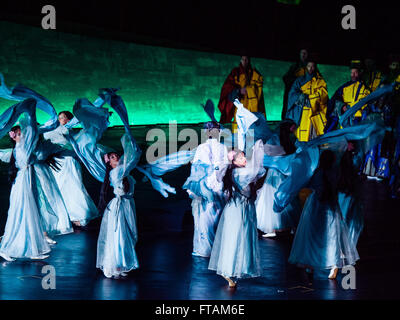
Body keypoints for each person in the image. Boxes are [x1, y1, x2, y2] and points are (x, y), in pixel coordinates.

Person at [288, 149, 359, 279]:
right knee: (331, 235)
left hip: (316, 205)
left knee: (313, 235)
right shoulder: (335, 173)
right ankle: (333, 263)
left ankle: (311, 263)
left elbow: (310, 185)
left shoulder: (317, 173)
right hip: (330, 204)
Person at [208, 140, 266, 287]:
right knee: (234, 239)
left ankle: (234, 269)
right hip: (237, 210)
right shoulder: (240, 172)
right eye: (240, 158)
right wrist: (258, 147)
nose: (244, 159)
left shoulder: (239, 171)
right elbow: (256, 169)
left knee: (241, 238)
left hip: (242, 208)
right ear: (233, 161)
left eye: (244, 156)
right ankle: (227, 269)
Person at [0, 99, 51, 261]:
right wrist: (30, 112)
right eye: (20, 133)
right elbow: (32, 132)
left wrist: (31, 112)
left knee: (30, 212)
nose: (24, 135)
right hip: (22, 183)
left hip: (27, 181)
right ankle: (7, 247)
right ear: (14, 136)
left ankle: (33, 248)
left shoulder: (23, 148)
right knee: (19, 212)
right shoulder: (19, 149)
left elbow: (33, 134)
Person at [44, 110, 99, 227]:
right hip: (57, 163)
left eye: (63, 117)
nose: (61, 120)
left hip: (69, 162)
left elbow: (78, 119)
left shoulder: (69, 131)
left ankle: (80, 215)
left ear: (68, 120)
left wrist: (95, 112)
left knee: (74, 186)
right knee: (60, 188)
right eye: (59, 118)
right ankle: (66, 216)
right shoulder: (54, 130)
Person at [182, 121, 228, 257]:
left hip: (207, 184)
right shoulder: (222, 147)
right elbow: (224, 166)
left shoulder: (203, 147)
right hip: (219, 184)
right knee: (216, 216)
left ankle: (206, 249)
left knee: (205, 218)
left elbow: (197, 169)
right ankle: (217, 247)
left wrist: (194, 187)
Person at [255, 120, 301, 237]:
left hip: (286, 170)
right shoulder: (275, 138)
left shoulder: (292, 138)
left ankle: (287, 225)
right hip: (276, 171)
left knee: (286, 193)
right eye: (292, 128)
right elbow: (268, 151)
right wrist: (282, 154)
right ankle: (276, 225)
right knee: (273, 193)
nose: (294, 131)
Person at [286, 55, 328, 141]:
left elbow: (323, 96)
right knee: (302, 140)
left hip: (315, 115)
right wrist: (302, 97)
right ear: (306, 67)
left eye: (312, 66)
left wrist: (310, 100)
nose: (310, 68)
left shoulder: (321, 82)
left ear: (315, 67)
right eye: (309, 66)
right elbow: (292, 95)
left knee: (316, 140)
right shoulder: (299, 81)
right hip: (302, 115)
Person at [217, 56, 265, 132]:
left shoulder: (254, 73)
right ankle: (238, 142)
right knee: (239, 128)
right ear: (240, 60)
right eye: (243, 59)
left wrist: (250, 89)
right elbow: (227, 87)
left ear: (249, 61)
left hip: (251, 105)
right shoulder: (235, 72)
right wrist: (238, 91)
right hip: (240, 103)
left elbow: (259, 88)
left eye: (246, 59)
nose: (245, 61)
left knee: (251, 128)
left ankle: (251, 143)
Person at [325, 60, 370, 132]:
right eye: (352, 72)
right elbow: (335, 100)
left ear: (360, 73)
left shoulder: (365, 89)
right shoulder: (345, 87)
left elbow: (365, 102)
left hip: (358, 120)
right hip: (345, 120)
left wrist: (351, 107)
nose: (353, 75)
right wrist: (342, 106)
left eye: (355, 72)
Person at [282, 48, 309, 120]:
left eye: (305, 53)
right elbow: (286, 78)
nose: (303, 55)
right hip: (296, 95)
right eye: (302, 53)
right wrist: (297, 82)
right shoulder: (295, 66)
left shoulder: (311, 67)